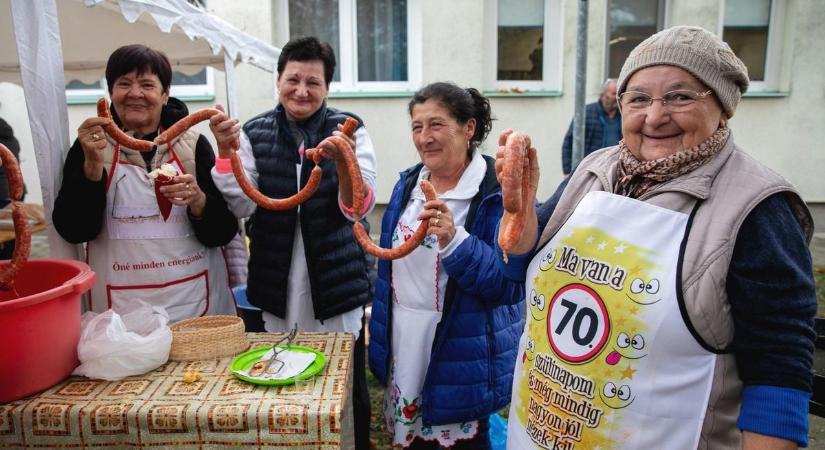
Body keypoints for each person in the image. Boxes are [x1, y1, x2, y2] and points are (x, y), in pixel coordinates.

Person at [505, 25, 816, 449]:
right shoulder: (595, 169)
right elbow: (526, 271)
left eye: (680, 96)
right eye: (638, 99)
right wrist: (519, 228)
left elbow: (779, 361)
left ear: (723, 107)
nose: (654, 116)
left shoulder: (758, 206)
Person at [208, 36, 376, 449]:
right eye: (293, 79)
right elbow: (239, 204)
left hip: (336, 280)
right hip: (276, 277)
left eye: (313, 82)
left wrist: (345, 162)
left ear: (327, 88)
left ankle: (348, 442)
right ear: (279, 80)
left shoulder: (350, 129)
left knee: (342, 378)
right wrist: (225, 151)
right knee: (278, 371)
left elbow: (360, 205)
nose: (301, 91)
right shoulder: (254, 131)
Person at [368, 82, 527, 449]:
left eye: (436, 124)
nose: (425, 138)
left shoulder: (495, 191)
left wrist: (455, 240)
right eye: (417, 127)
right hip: (405, 341)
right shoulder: (409, 183)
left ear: (468, 128)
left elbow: (507, 285)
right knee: (407, 440)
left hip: (460, 350)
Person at [53, 44, 238, 321]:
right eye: (123, 83)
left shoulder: (194, 144)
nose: (135, 93)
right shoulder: (89, 146)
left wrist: (198, 200)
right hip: (120, 310)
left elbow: (222, 233)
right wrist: (92, 166)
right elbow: (74, 230)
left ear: (165, 96)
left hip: (195, 301)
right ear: (111, 93)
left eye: (147, 85)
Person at [561, 78, 622, 174]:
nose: (617, 97)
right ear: (603, 95)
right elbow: (569, 142)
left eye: (619, 94)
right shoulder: (586, 113)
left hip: (615, 171)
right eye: (614, 93)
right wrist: (568, 171)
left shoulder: (623, 115)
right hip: (590, 170)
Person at [0, 118, 26, 260]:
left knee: (9, 241)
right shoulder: (7, 132)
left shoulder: (4, 139)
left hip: (4, 194)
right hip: (13, 191)